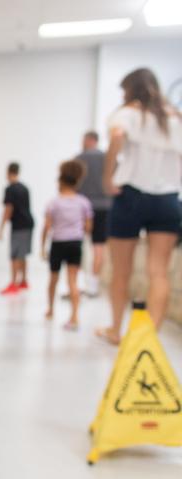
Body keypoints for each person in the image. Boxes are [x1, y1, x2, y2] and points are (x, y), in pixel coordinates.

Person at [98, 67, 182, 344]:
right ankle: (150, 336)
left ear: (131, 90)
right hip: (168, 199)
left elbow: (117, 136)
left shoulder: (129, 113)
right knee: (158, 270)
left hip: (131, 195)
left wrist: (108, 177)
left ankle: (114, 330)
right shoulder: (175, 118)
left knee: (121, 269)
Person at [41, 160, 94, 330]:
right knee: (73, 280)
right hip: (75, 243)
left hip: (58, 243)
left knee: (53, 280)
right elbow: (88, 227)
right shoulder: (83, 202)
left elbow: (47, 227)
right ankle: (75, 316)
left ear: (61, 181)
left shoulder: (54, 203)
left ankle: (50, 310)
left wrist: (42, 247)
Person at [75, 131, 113, 297]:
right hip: (105, 207)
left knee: (79, 245)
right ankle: (93, 286)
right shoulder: (108, 159)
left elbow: (73, 184)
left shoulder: (79, 158)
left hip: (83, 207)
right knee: (99, 247)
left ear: (90, 140)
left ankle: (76, 284)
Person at [0, 162, 35, 295]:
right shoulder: (25, 188)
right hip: (28, 223)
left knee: (14, 255)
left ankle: (13, 283)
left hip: (18, 225)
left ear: (8, 172)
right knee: (22, 254)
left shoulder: (10, 189)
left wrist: (1, 228)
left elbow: (8, 209)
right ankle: (23, 281)